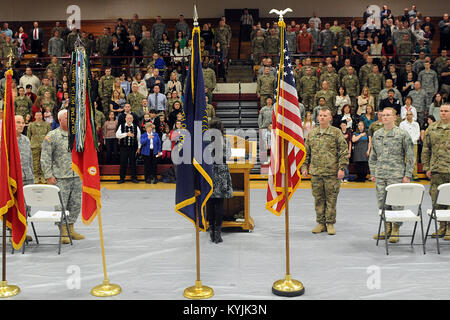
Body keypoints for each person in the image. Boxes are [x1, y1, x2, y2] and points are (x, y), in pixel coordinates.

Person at [369, 107, 415, 243]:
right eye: (383, 115)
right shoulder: (377, 134)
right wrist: (373, 172)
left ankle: (396, 229)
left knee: (397, 204)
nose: (385, 117)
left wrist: (408, 174)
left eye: (388, 115)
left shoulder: (402, 134)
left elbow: (411, 156)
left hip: (396, 175)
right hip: (381, 175)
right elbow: (373, 156)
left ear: (395, 117)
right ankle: (387, 227)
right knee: (382, 203)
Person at [302, 107, 349, 235]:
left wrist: (342, 168)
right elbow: (306, 152)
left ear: (330, 118)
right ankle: (320, 223)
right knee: (318, 198)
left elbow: (344, 151)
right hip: (316, 172)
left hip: (332, 173)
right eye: (320, 115)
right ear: (317, 118)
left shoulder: (336, 132)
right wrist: (303, 167)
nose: (322, 117)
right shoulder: (312, 133)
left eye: (325, 115)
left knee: (331, 199)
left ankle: (330, 223)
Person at [40, 109, 85, 244]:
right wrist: (48, 175)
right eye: (67, 118)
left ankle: (71, 228)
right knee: (61, 205)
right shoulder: (52, 135)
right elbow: (45, 156)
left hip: (76, 176)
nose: (71, 120)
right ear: (60, 120)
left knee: (75, 204)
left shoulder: (77, 135)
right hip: (60, 176)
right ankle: (63, 230)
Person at [421, 104, 450, 239]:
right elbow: (426, 150)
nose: (444, 113)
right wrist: (426, 167)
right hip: (436, 170)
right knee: (437, 199)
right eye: (442, 111)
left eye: (446, 111)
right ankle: (442, 226)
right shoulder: (432, 128)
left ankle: (449, 228)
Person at [207, 117, 233, 243]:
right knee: (219, 202)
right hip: (221, 171)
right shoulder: (224, 140)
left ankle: (210, 229)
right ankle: (218, 232)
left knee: (209, 201)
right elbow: (228, 155)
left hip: (208, 171)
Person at [116, 113, 141, 184]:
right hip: (123, 148)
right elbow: (117, 135)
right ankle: (122, 178)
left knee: (133, 163)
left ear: (133, 119)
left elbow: (139, 138)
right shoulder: (121, 126)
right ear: (125, 119)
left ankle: (134, 178)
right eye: (128, 118)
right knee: (123, 163)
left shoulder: (136, 127)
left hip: (133, 148)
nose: (129, 119)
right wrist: (126, 134)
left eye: (130, 118)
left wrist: (139, 148)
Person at [399, 110, 421, 180]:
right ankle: (405, 175)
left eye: (410, 114)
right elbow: (401, 133)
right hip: (405, 143)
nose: (409, 116)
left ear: (412, 115)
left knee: (414, 159)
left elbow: (418, 133)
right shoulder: (402, 124)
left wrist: (413, 140)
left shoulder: (416, 124)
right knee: (405, 159)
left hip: (414, 143)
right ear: (406, 115)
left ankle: (415, 175)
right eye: (407, 114)